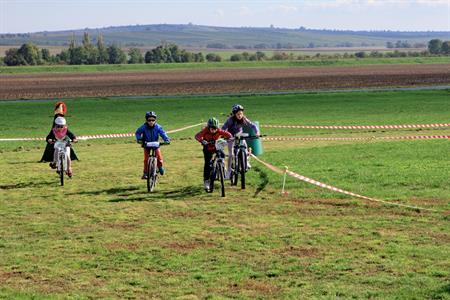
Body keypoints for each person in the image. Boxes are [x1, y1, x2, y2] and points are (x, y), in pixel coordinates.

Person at [221, 104, 259, 177]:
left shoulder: (244, 119)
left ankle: (246, 161)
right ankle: (228, 172)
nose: (240, 115)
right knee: (231, 155)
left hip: (239, 135)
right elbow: (223, 128)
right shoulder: (230, 120)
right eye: (238, 114)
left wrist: (257, 132)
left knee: (244, 146)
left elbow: (252, 125)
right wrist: (224, 135)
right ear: (234, 114)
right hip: (231, 137)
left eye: (241, 113)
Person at [195, 117, 232, 191]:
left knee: (222, 155)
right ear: (209, 127)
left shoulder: (219, 130)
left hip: (216, 147)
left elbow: (229, 135)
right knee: (208, 164)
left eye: (215, 128)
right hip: (207, 148)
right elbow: (197, 136)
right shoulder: (205, 130)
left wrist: (229, 138)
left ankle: (222, 168)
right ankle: (206, 181)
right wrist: (202, 141)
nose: (214, 130)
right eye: (212, 128)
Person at [135, 111, 170, 179]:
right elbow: (137, 133)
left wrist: (166, 139)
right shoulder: (143, 127)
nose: (151, 122)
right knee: (146, 159)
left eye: (153, 120)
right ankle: (145, 173)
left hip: (155, 144)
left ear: (155, 120)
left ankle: (160, 167)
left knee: (159, 158)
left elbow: (163, 133)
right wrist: (139, 139)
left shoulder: (158, 127)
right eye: (149, 120)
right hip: (146, 144)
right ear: (146, 120)